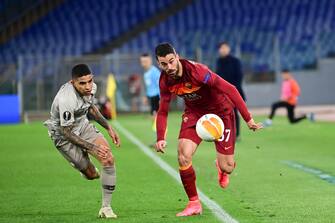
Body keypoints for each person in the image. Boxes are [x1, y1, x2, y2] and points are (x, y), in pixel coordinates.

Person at [154, 43, 262, 217]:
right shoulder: (165, 81)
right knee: (183, 155)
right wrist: (160, 137)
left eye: (171, 61)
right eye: (164, 64)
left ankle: (221, 167)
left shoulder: (197, 72)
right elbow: (163, 110)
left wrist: (248, 119)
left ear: (177, 56)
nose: (169, 67)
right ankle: (194, 203)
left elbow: (231, 89)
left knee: (228, 167)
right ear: (159, 64)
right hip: (194, 113)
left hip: (221, 112)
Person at [44, 64, 121, 218]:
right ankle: (87, 170)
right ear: (73, 82)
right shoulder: (66, 99)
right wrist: (92, 147)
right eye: (82, 83)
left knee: (108, 158)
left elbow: (91, 107)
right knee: (92, 174)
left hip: (83, 126)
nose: (88, 86)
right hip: (63, 135)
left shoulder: (92, 88)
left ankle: (106, 208)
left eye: (90, 81)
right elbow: (66, 132)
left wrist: (108, 127)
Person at [216, 42, 245, 140]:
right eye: (221, 48)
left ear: (228, 49)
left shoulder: (235, 61)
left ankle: (237, 134)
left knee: (234, 114)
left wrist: (232, 89)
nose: (223, 50)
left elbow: (239, 76)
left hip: (234, 91)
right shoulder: (219, 61)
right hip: (221, 93)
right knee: (221, 114)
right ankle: (223, 133)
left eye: (225, 48)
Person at [140, 53, 161, 132]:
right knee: (154, 118)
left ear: (150, 61)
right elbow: (150, 87)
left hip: (157, 97)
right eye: (142, 61)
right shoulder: (146, 73)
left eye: (145, 61)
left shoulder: (154, 72)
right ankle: (158, 139)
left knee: (156, 118)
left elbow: (160, 85)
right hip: (152, 97)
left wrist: (160, 98)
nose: (143, 63)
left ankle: (160, 139)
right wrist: (146, 96)